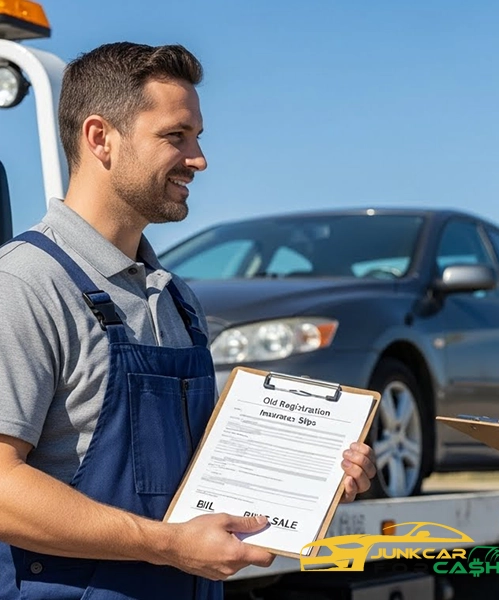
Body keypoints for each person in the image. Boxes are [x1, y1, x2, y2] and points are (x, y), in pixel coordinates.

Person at [0, 42, 376, 600]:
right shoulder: (26, 284)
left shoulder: (177, 299)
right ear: (100, 138)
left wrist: (313, 476)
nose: (199, 159)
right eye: (176, 137)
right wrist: (167, 544)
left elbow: (200, 475)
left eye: (198, 138)